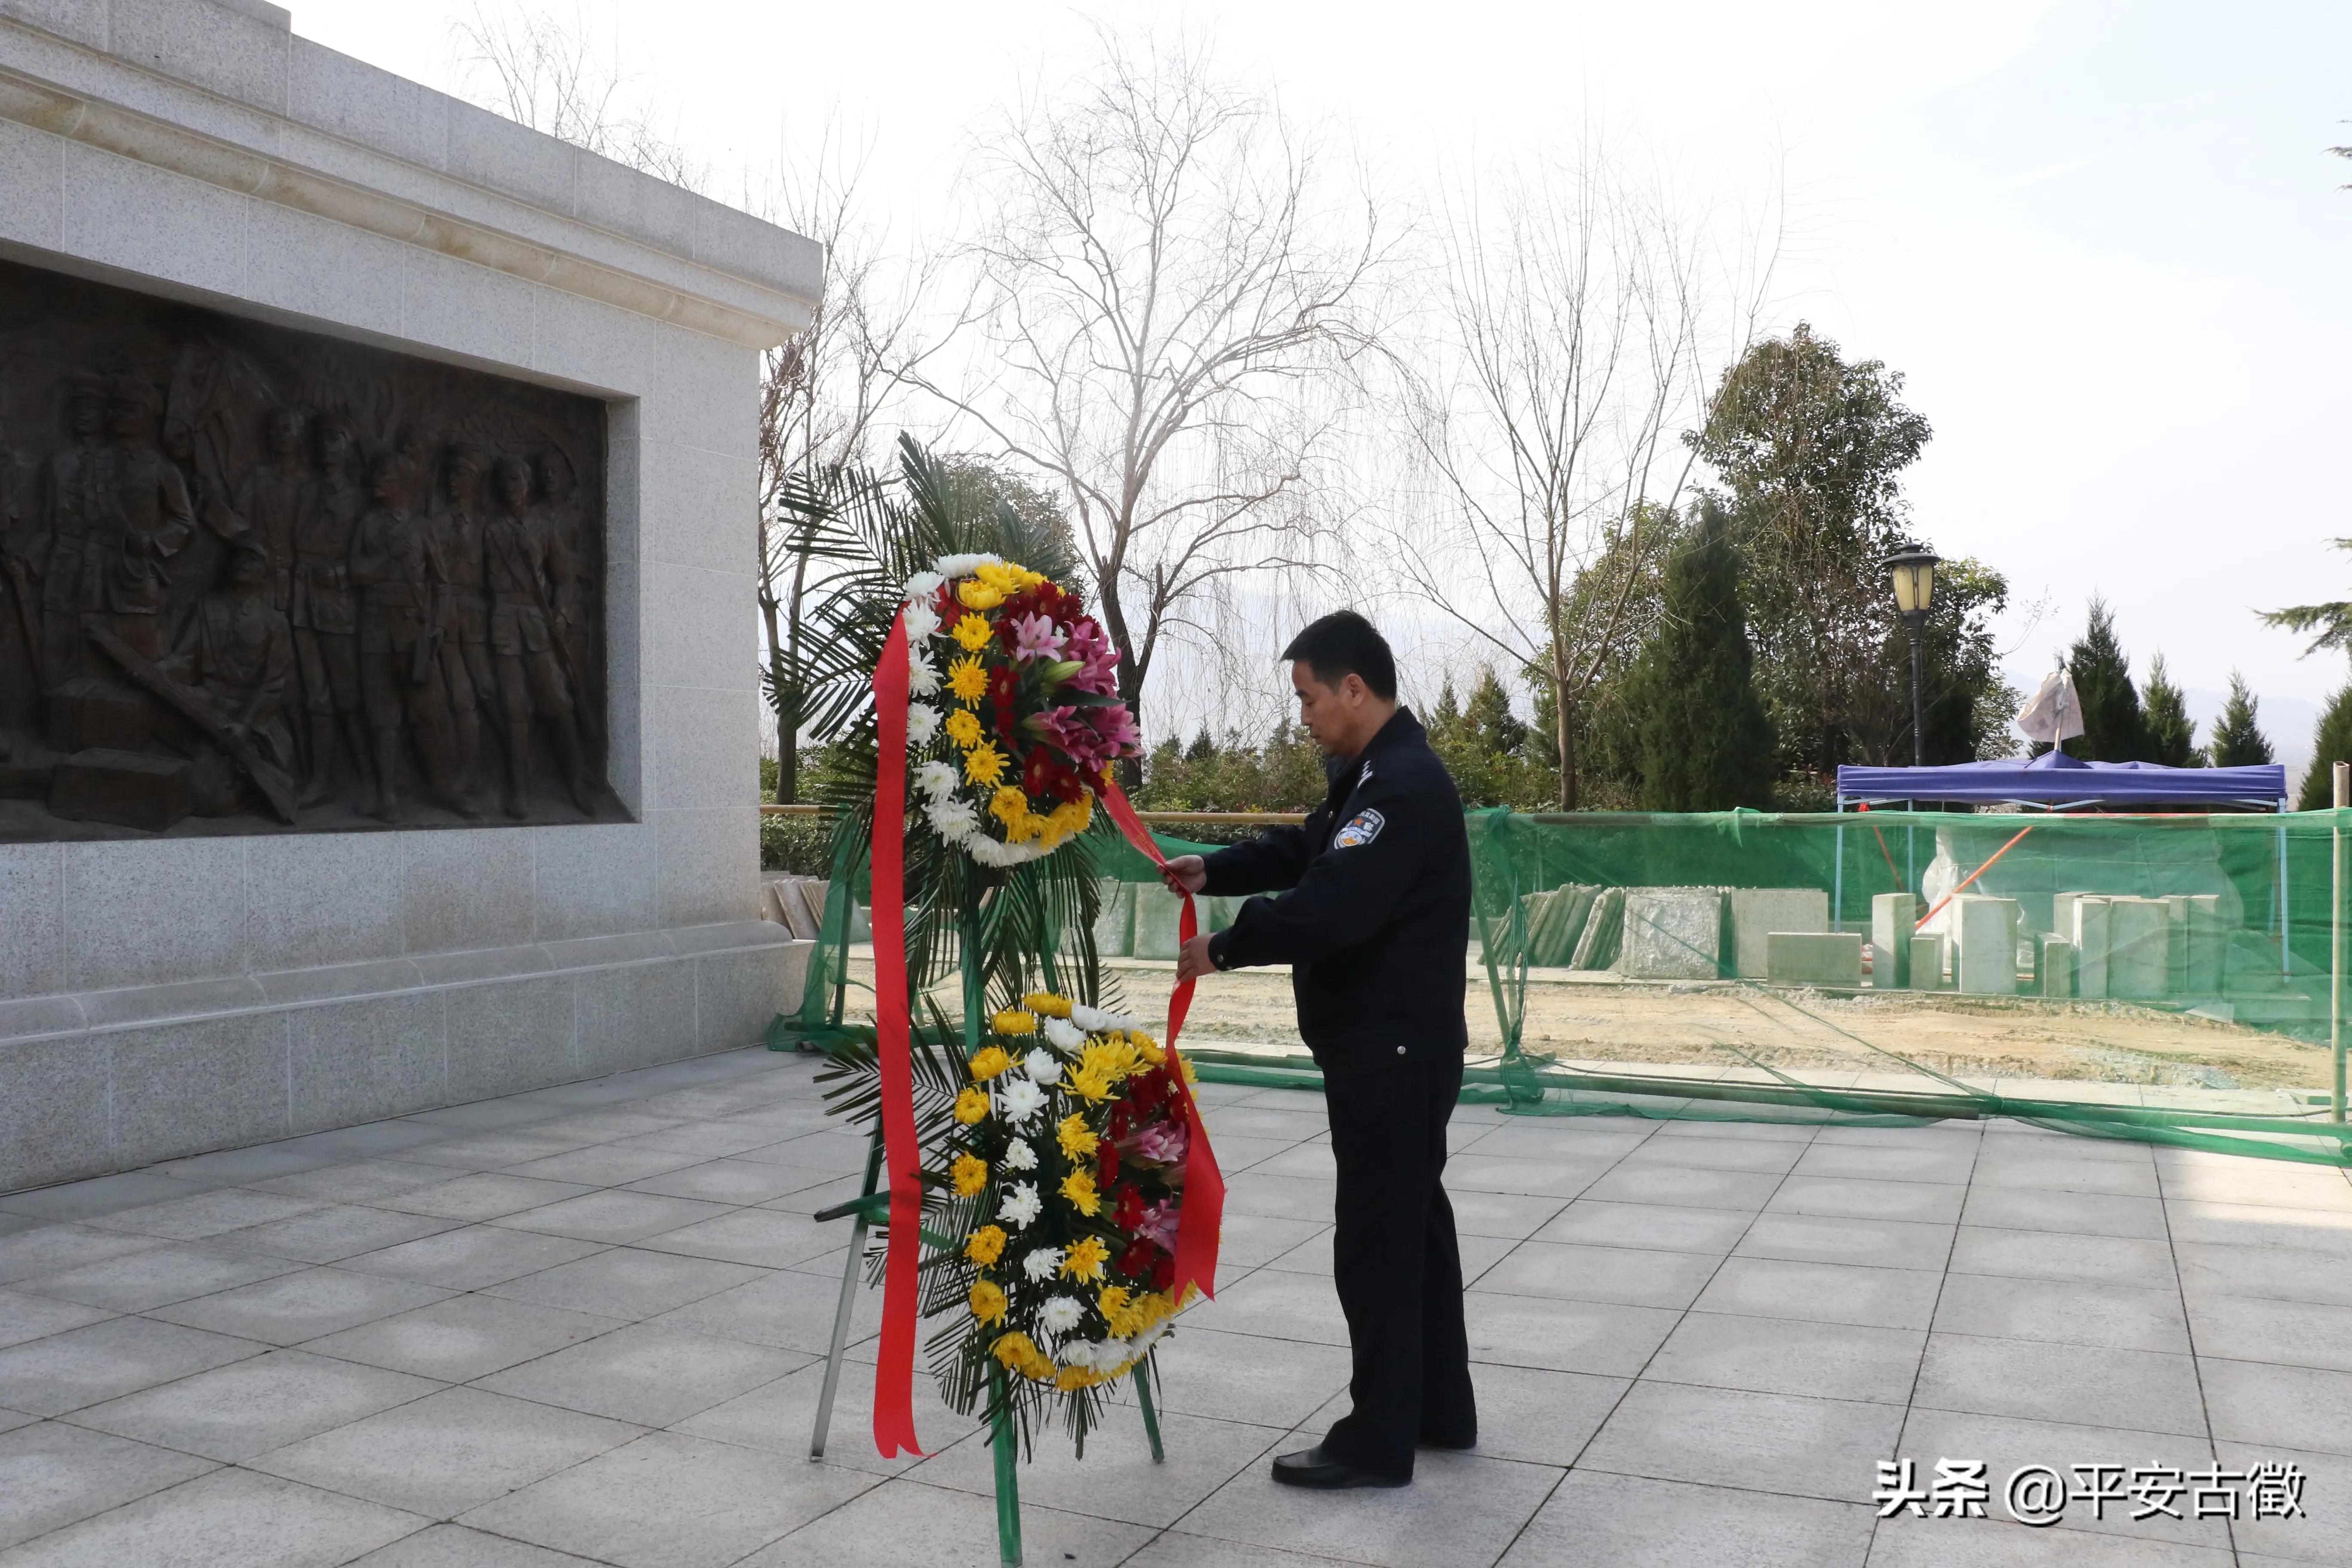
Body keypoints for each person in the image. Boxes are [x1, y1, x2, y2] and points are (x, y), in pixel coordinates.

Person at [1167, 610, 1476, 1489]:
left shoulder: (1403, 785)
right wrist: (1214, 869)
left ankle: (1378, 1439)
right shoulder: (1372, 779)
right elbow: (1310, 848)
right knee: (1415, 1230)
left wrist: (1225, 945)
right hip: (1396, 1047)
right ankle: (1440, 1410)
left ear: (1354, 688)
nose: (1301, 715)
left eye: (1307, 698)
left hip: (1393, 1053)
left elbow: (1335, 901)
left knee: (1378, 1244)